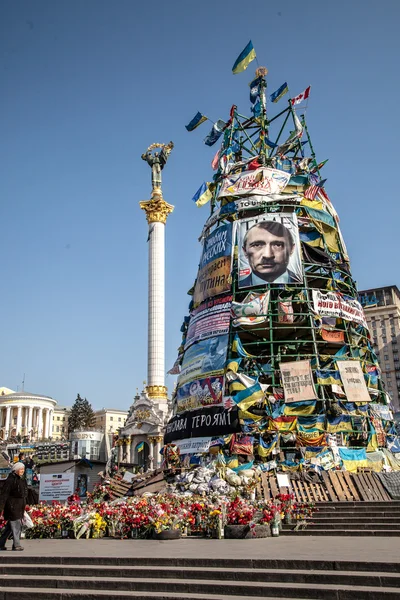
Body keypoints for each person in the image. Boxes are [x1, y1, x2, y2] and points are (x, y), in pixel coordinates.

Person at [240, 220, 302, 286]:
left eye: (278, 245)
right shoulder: (234, 288)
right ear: (245, 251)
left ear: (291, 249)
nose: (268, 255)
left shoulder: (307, 284)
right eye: (257, 245)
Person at [0, 462, 28, 551]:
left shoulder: (21, 479)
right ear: (15, 470)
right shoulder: (10, 480)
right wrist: (1, 507)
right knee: (16, 526)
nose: (22, 471)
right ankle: (16, 545)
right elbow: (4, 494)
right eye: (21, 469)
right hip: (12, 506)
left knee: (9, 527)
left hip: (19, 506)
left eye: (23, 469)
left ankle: (1, 543)